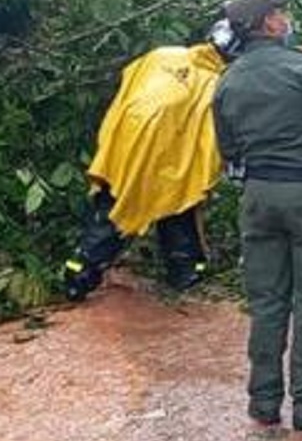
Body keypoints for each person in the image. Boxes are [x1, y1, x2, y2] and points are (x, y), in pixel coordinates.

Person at [212, 0, 302, 431]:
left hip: (256, 197)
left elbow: (228, 147)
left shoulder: (227, 80)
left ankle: (264, 402)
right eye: (279, 11)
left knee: (266, 300)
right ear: (267, 24)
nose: (285, 16)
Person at [62, 20, 242, 300]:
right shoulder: (217, 85)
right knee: (176, 208)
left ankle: (78, 274)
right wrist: (205, 174)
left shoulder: (162, 54)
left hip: (123, 148)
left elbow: (127, 85)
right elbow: (210, 138)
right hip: (169, 162)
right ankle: (184, 275)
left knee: (110, 209)